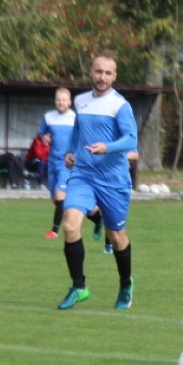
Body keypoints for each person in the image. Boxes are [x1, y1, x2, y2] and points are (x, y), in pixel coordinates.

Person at [57, 51, 138, 310]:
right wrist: (71, 151)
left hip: (113, 180)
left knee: (116, 237)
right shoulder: (80, 101)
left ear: (114, 76)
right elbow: (77, 132)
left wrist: (108, 147)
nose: (102, 77)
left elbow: (131, 140)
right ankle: (79, 286)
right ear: (91, 72)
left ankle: (126, 284)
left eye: (107, 73)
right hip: (83, 175)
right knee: (69, 227)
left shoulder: (120, 105)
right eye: (98, 71)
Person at [38, 88, 107, 244]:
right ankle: (97, 217)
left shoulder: (76, 118)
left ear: (70, 102)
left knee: (60, 196)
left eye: (64, 100)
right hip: (53, 163)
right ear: (55, 101)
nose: (61, 102)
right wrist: (44, 138)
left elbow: (85, 137)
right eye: (58, 99)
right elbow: (42, 134)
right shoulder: (48, 117)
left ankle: (54, 230)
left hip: (68, 163)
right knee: (58, 201)